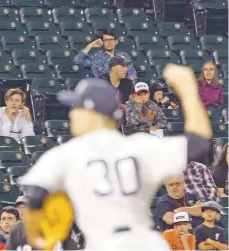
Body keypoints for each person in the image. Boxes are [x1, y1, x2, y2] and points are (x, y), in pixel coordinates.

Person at [18, 64, 212, 250]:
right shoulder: (140, 146)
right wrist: (188, 90)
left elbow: (36, 197)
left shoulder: (67, 153)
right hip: (146, 243)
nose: (72, 114)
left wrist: (38, 236)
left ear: (92, 113)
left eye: (77, 108)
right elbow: (199, 142)